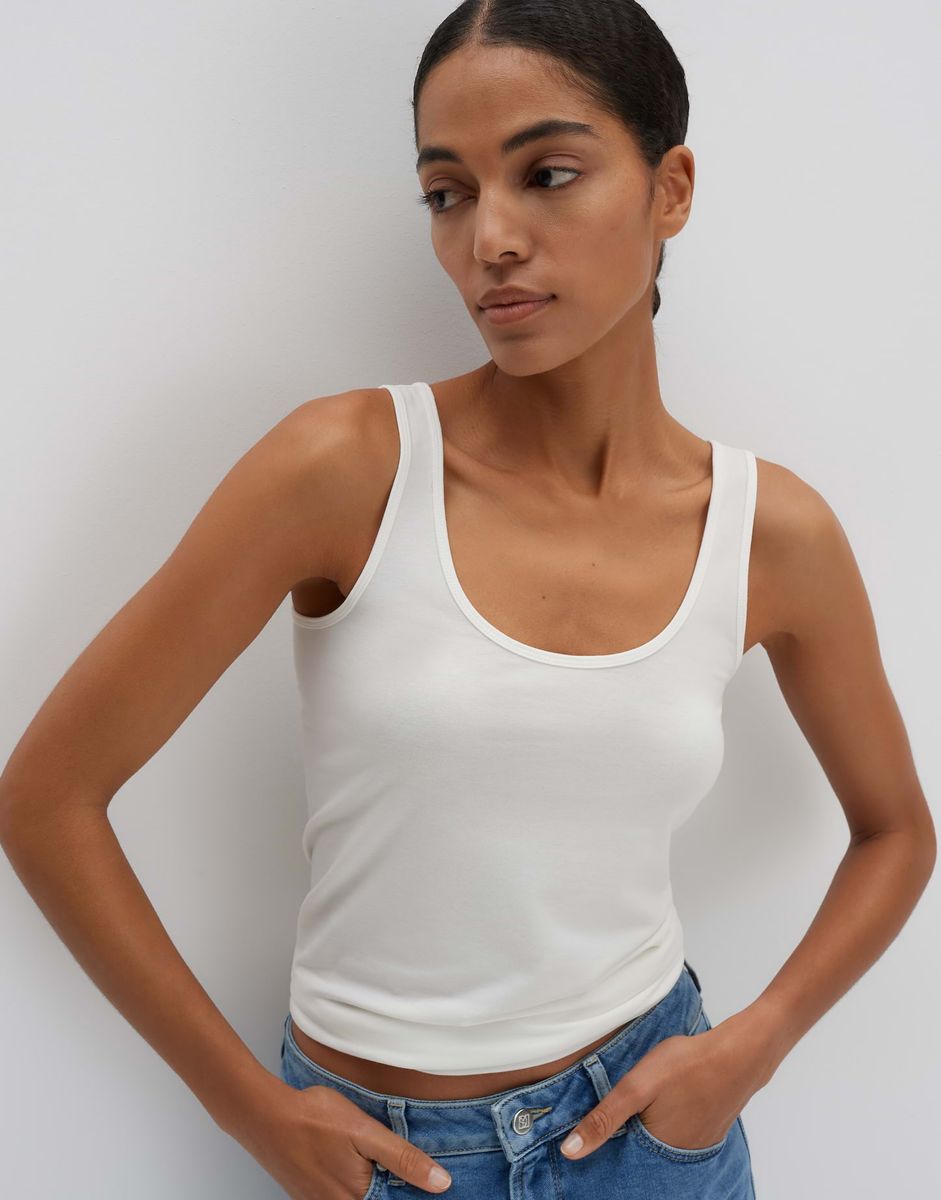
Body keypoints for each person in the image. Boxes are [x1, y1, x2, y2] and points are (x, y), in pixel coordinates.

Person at [0, 2, 934, 1198]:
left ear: (670, 189)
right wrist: (251, 1113)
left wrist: (753, 1044)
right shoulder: (343, 469)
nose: (488, 238)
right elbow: (48, 798)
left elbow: (894, 832)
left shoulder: (770, 533)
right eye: (446, 193)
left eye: (547, 174)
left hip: (650, 1140)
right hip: (384, 1160)